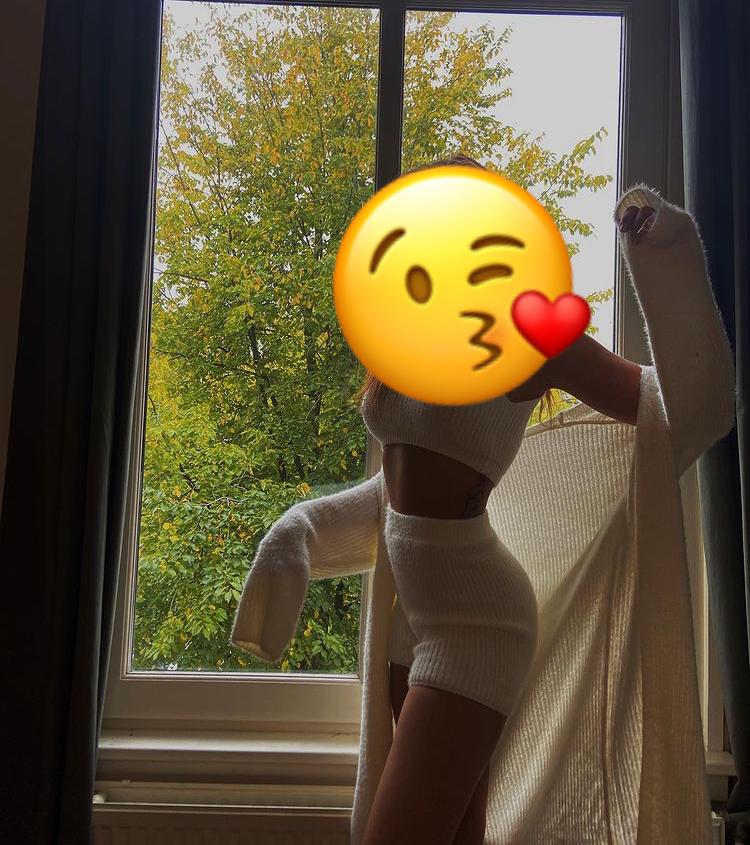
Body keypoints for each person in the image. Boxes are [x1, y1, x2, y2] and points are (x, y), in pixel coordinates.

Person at [355, 154, 651, 845]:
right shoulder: (407, 331)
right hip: (413, 624)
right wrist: (301, 531)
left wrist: (657, 252)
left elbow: (670, 404)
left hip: (476, 626)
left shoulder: (532, 339)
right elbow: (403, 480)